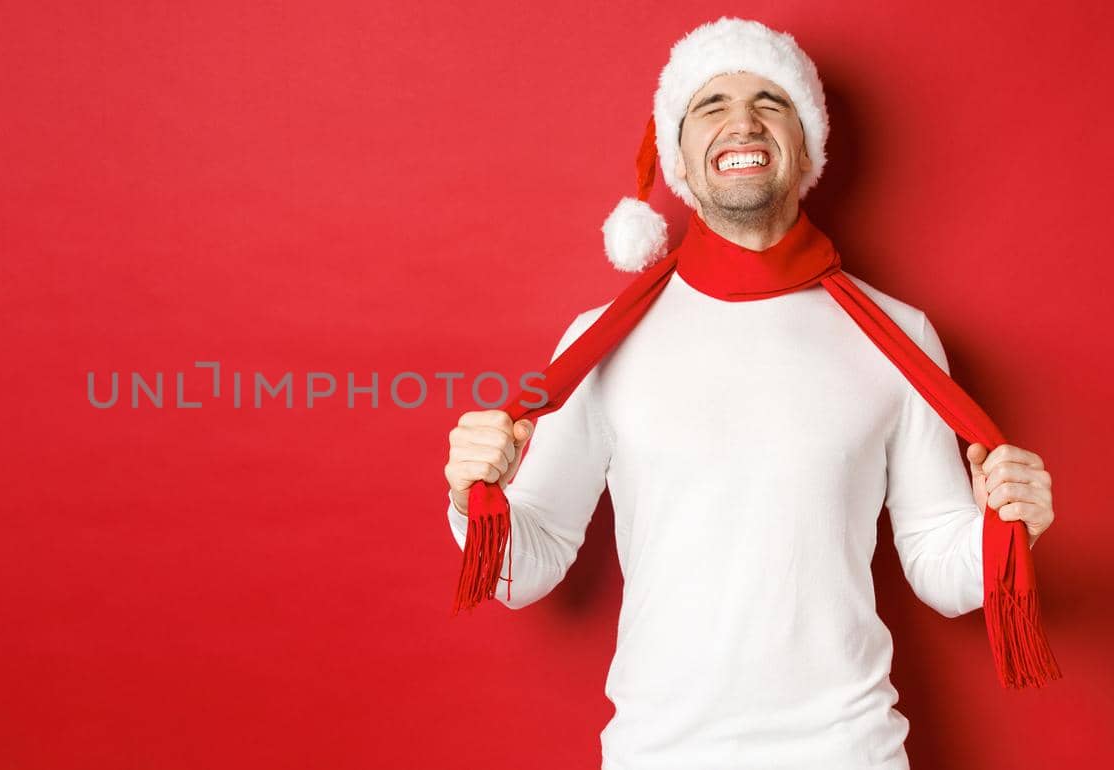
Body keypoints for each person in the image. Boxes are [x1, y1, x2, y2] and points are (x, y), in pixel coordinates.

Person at [441, 17, 1057, 770]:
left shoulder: (900, 333)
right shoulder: (598, 342)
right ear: (680, 160)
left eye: (771, 100)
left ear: (806, 148)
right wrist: (474, 495)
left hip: (850, 752)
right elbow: (522, 572)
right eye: (711, 104)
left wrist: (1006, 520)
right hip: (657, 755)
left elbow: (940, 565)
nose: (742, 120)